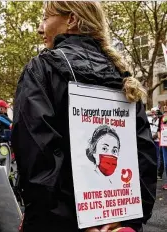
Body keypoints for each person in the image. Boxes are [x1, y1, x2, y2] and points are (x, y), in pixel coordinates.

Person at [11, 2, 157, 232]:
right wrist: (129, 218)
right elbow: (145, 157)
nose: (40, 28)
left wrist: (69, 221)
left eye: (45, 18)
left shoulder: (41, 70)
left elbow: (38, 159)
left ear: (71, 20)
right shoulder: (123, 77)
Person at [158, 105, 167, 189]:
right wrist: (161, 137)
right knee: (166, 164)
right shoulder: (161, 118)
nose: (165, 107)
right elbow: (158, 130)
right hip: (164, 144)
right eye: (164, 106)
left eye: (166, 106)